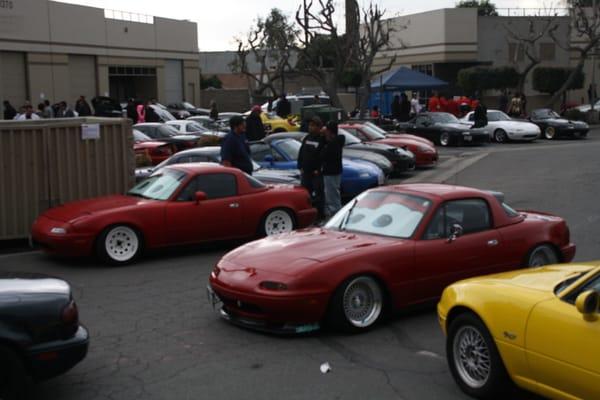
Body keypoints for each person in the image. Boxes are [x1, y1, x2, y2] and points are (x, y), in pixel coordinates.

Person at [298, 116, 325, 218]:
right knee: (305, 194)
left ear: (318, 127)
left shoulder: (322, 139)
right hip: (306, 172)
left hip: (316, 173)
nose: (310, 127)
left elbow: (323, 156)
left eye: (313, 126)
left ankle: (320, 215)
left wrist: (318, 169)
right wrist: (300, 166)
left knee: (319, 195)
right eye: (310, 125)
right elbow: (301, 153)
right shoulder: (307, 138)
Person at [321, 121, 344, 219]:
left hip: (331, 172)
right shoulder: (337, 141)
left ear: (330, 131)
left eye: (326, 130)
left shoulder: (333, 144)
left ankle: (335, 216)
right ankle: (334, 214)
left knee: (332, 195)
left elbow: (324, 155)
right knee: (333, 194)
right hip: (334, 171)